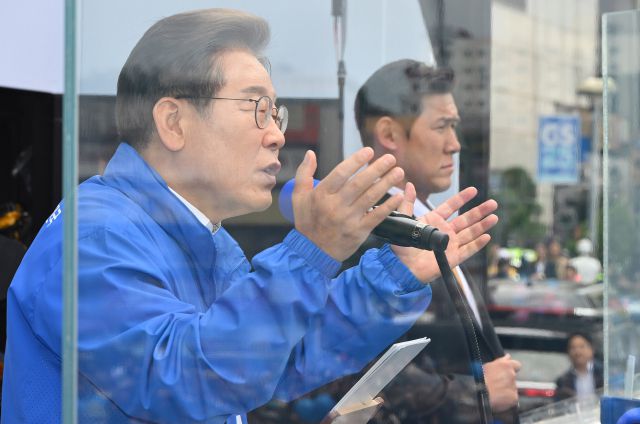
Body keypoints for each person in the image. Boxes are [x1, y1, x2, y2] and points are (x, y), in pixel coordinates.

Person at [1, 9, 499, 424]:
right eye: (256, 107)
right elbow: (186, 379)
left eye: (276, 113)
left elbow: (282, 355)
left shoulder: (202, 236)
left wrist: (395, 275)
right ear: (173, 122)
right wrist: (312, 252)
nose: (277, 134)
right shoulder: (94, 236)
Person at [347, 59, 520, 423]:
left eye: (454, 126)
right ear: (390, 134)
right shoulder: (363, 232)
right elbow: (357, 371)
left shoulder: (425, 223)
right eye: (442, 126)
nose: (454, 145)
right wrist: (476, 392)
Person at [554, 332, 603, 401]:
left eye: (582, 347)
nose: (578, 352)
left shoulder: (603, 375)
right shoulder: (562, 382)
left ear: (592, 349)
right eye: (573, 348)